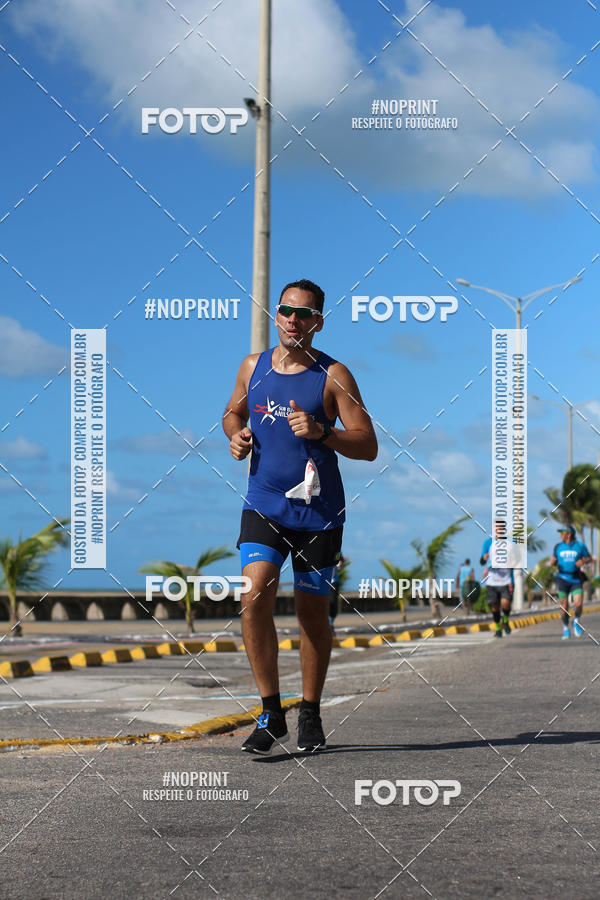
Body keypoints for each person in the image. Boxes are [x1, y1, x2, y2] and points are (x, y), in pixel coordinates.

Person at [223, 279, 377, 754]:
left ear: (318, 322)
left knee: (312, 615)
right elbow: (231, 413)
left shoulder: (335, 376)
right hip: (264, 504)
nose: (293, 320)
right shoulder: (254, 366)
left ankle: (309, 711)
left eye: (304, 314)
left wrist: (322, 431)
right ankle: (271, 712)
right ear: (277, 316)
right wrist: (236, 435)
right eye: (286, 311)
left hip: (319, 515)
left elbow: (368, 445)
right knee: (254, 595)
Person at [549, 525, 592, 639]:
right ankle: (565, 628)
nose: (560, 535)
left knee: (578, 603)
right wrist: (552, 562)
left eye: (562, 533)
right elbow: (553, 560)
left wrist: (583, 560)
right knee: (564, 605)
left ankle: (576, 621)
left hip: (576, 579)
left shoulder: (580, 546)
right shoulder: (558, 547)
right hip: (562, 579)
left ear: (569, 534)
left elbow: (589, 558)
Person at [480, 522, 514, 638]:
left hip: (505, 579)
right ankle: (498, 629)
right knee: (494, 606)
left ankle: (505, 620)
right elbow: (482, 562)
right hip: (492, 580)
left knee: (505, 603)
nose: (499, 529)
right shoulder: (488, 542)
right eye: (497, 527)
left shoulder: (510, 544)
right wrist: (484, 559)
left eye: (501, 527)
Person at [328, 553, 345, 634]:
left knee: (333, 602)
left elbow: (341, 560)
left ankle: (330, 623)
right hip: (322, 581)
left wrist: (340, 564)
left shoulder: (335, 547)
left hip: (334, 581)